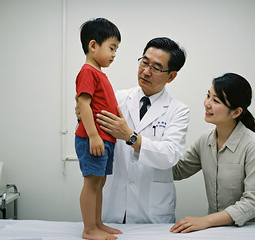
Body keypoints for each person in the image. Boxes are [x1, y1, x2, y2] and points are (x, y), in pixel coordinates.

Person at [94, 37, 190, 224]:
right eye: (144, 62)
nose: (146, 71)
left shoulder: (178, 110)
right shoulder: (117, 98)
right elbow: (91, 134)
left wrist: (130, 137)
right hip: (112, 205)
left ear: (171, 76)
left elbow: (170, 155)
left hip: (152, 211)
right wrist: (82, 117)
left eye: (155, 68)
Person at [170, 73, 255, 234]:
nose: (207, 104)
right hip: (218, 230)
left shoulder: (254, 145)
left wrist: (205, 220)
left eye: (216, 100)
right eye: (208, 96)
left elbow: (252, 203)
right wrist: (144, 146)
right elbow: (177, 171)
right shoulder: (205, 140)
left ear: (236, 112)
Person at [74, 18, 122, 240]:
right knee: (92, 182)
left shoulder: (100, 74)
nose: (114, 54)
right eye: (112, 48)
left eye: (116, 50)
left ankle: (97, 223)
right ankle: (89, 229)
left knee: (100, 183)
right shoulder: (87, 72)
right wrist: (93, 136)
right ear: (93, 45)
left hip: (105, 138)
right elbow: (83, 104)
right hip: (93, 138)